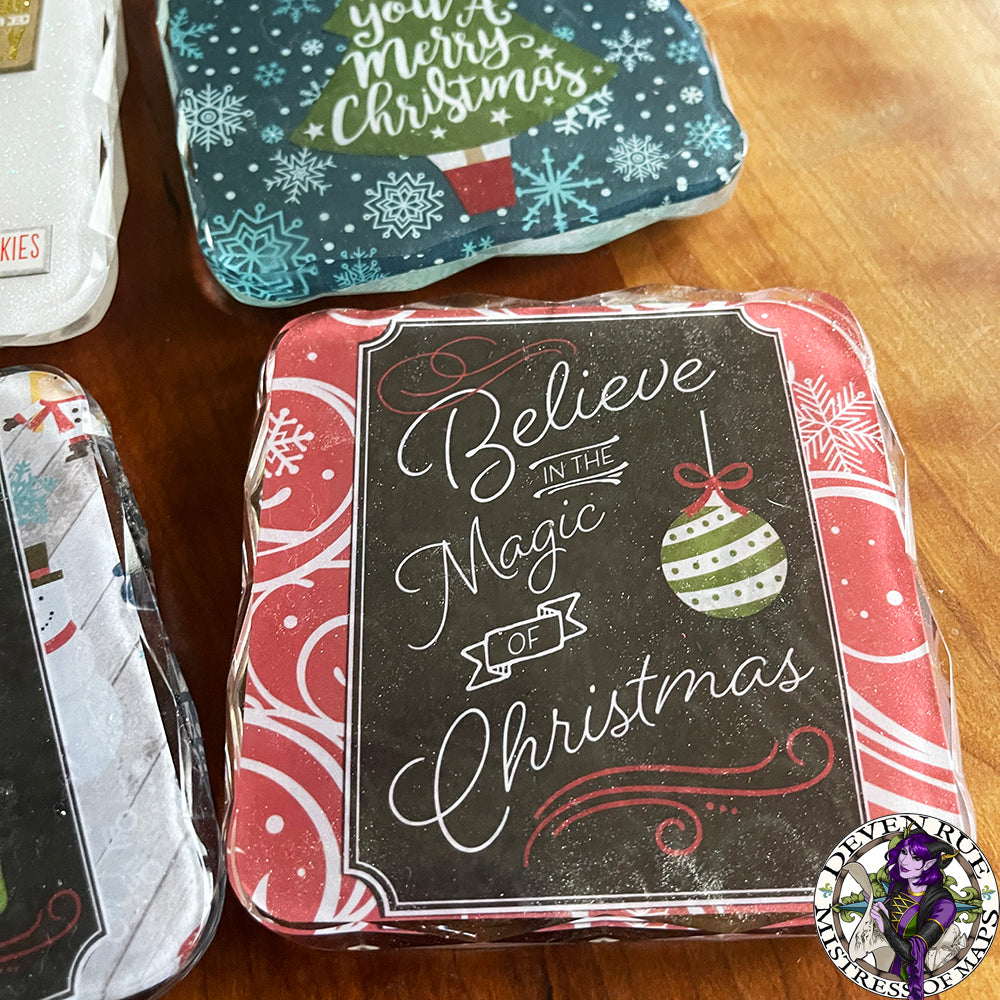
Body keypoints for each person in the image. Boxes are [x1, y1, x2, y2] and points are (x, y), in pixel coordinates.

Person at [869, 828, 959, 1000]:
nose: (905, 861)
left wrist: (887, 927)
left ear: (928, 864)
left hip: (913, 982)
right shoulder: (899, 888)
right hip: (882, 973)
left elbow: (912, 953)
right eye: (904, 852)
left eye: (916, 857)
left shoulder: (944, 905)